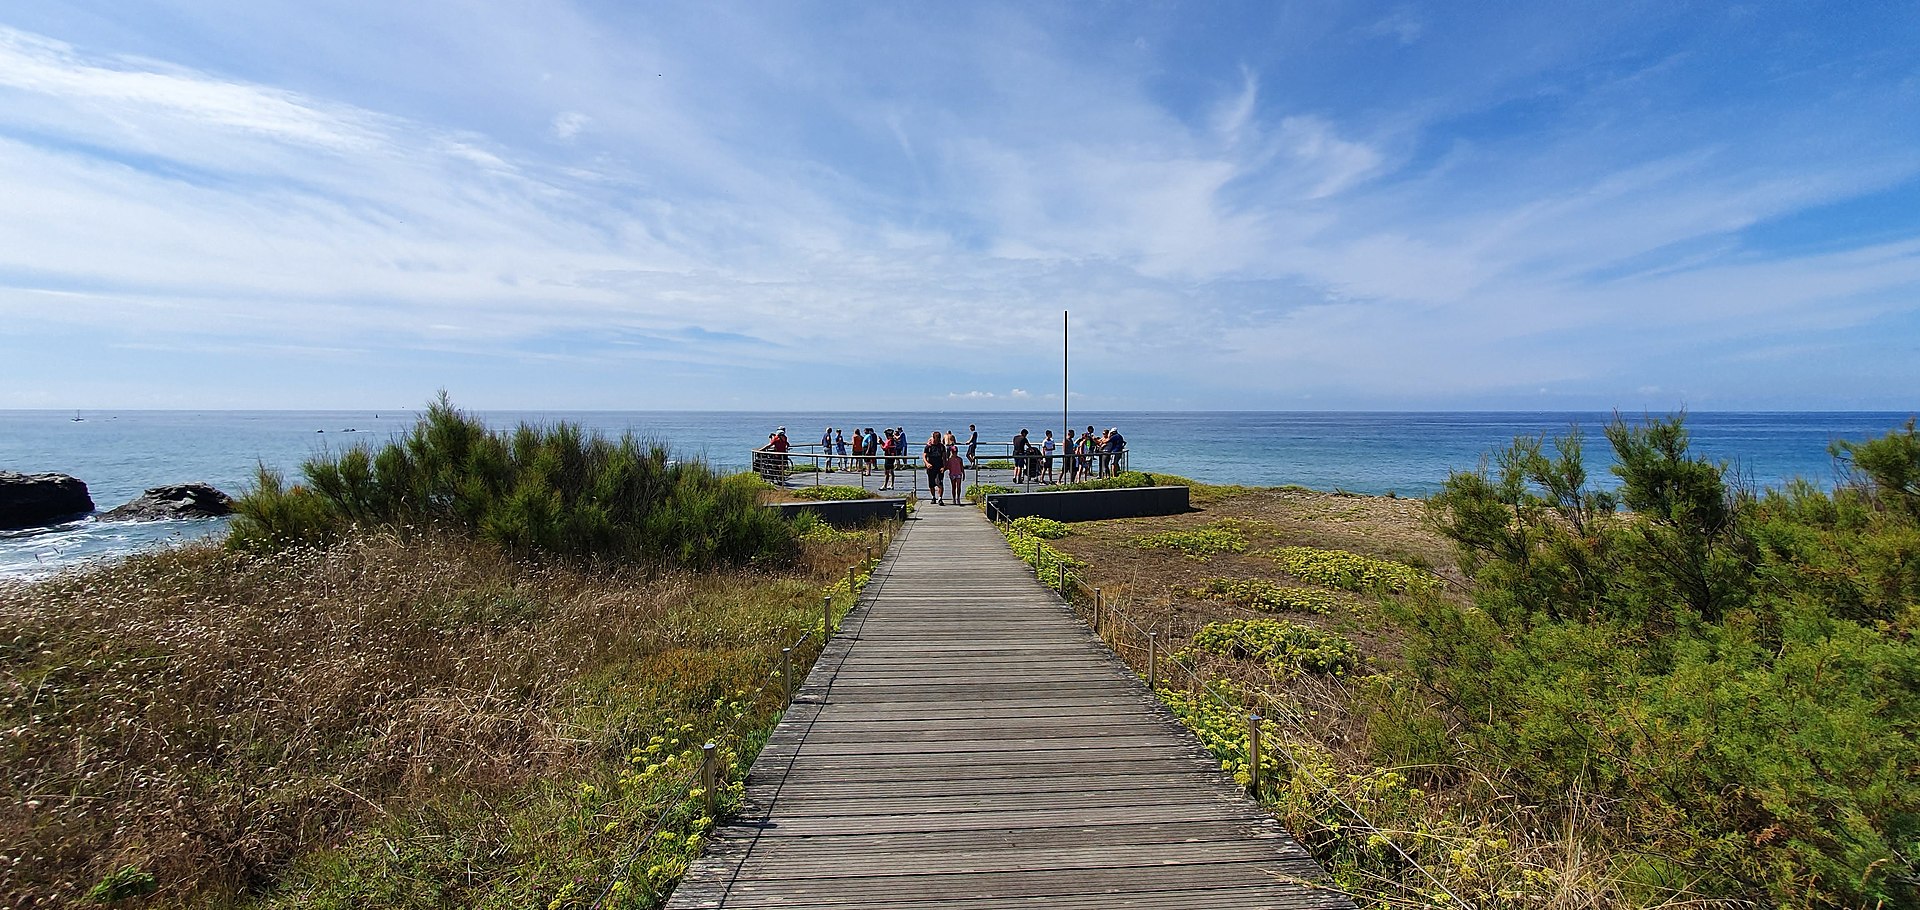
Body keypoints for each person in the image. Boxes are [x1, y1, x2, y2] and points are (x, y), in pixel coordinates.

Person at [922, 432, 947, 504]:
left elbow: (944, 457)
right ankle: (933, 497)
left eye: (939, 438)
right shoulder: (928, 446)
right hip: (931, 467)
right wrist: (927, 463)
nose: (938, 440)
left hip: (939, 467)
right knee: (931, 484)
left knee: (940, 483)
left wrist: (944, 467)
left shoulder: (941, 446)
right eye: (936, 439)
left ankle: (940, 498)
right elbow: (924, 456)